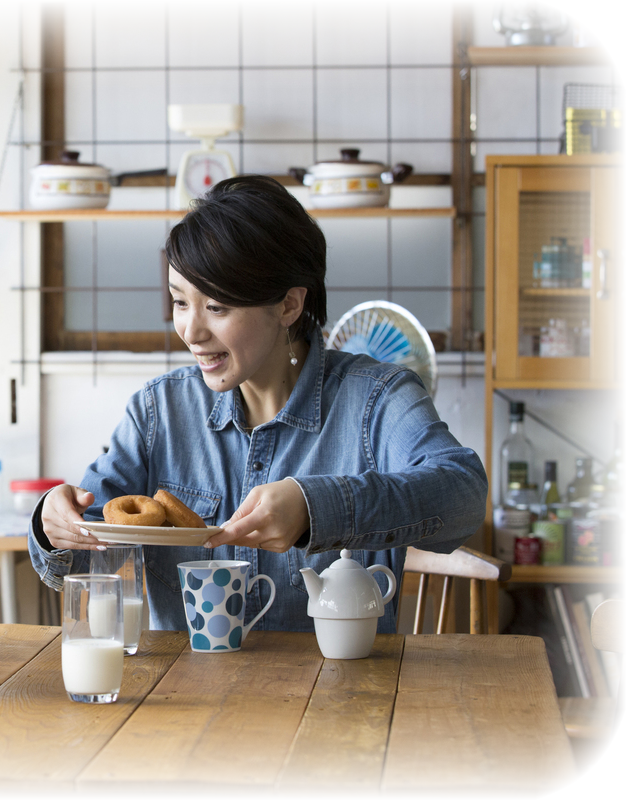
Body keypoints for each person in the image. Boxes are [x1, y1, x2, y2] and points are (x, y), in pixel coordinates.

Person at [29, 175, 487, 635]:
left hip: (335, 697)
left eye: (218, 308)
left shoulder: (377, 399)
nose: (191, 330)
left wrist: (315, 508)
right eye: (179, 302)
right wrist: (52, 522)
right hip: (182, 698)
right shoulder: (159, 411)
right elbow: (82, 551)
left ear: (288, 305)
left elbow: (464, 495)